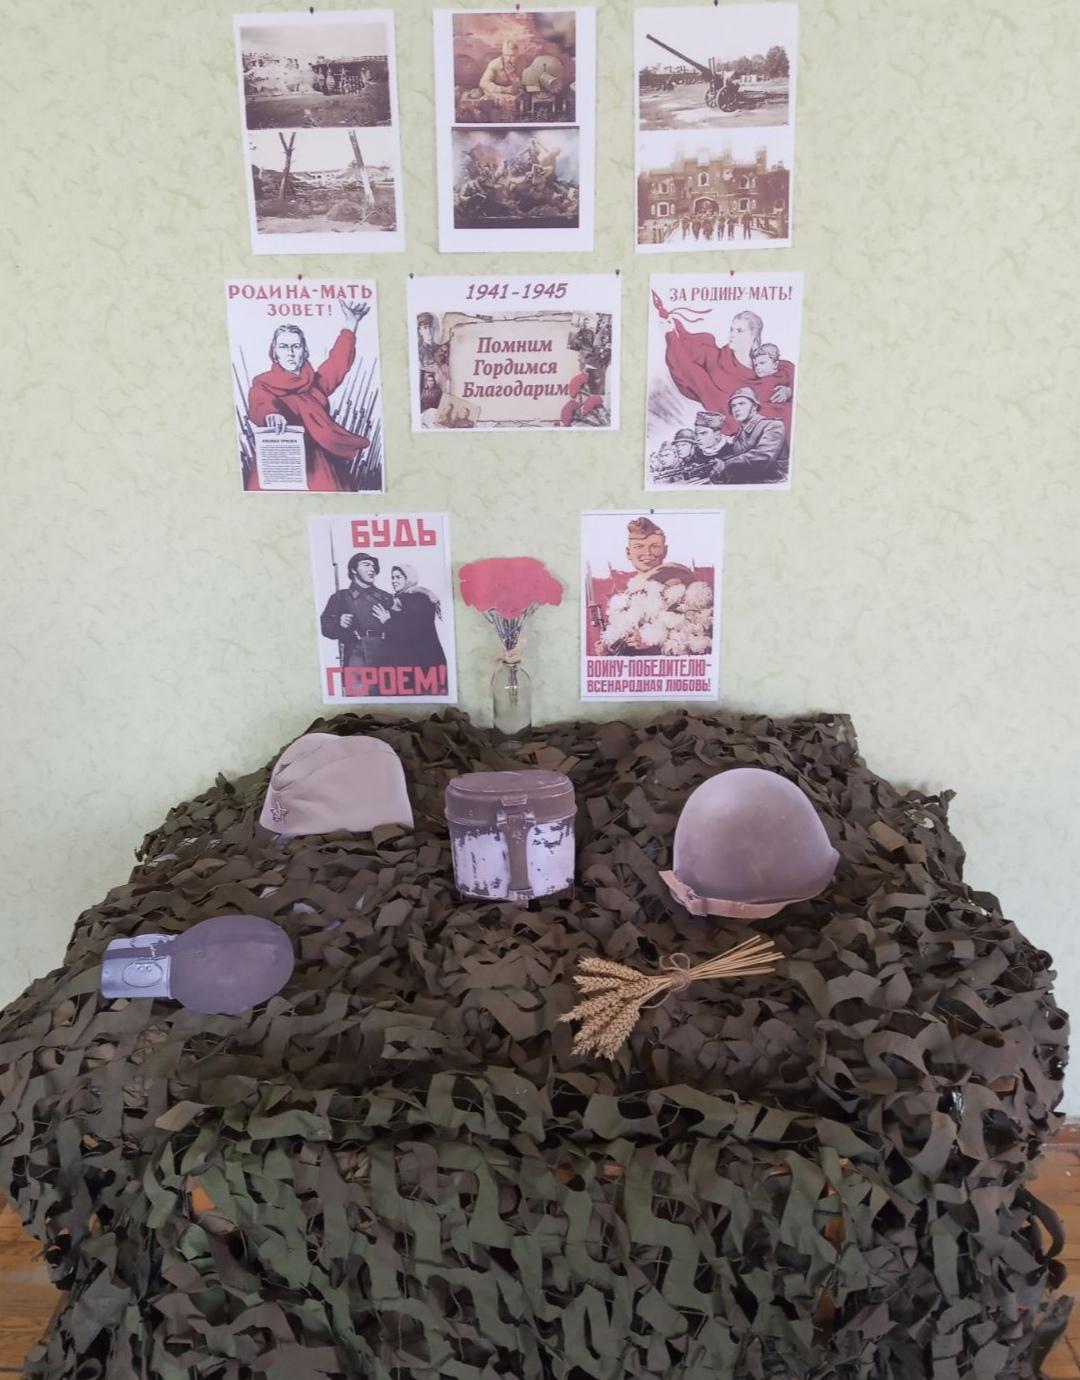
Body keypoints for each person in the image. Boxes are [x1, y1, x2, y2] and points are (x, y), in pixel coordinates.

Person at [246, 300, 371, 492]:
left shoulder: (315, 384)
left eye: (295, 346)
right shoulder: (263, 383)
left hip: (321, 463)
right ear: (275, 352)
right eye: (283, 346)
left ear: (304, 351)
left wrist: (351, 323)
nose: (290, 352)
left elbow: (338, 362)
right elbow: (260, 403)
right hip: (281, 462)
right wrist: (271, 415)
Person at [659, 300, 794, 427]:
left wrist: (789, 391)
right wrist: (671, 333)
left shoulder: (765, 360)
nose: (732, 335)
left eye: (739, 331)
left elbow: (792, 377)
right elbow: (688, 368)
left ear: (753, 335)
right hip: (738, 427)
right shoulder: (716, 358)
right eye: (732, 330)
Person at [319, 552, 392, 693]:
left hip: (385, 653)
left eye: (373, 566)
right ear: (353, 570)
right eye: (366, 565)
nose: (372, 569)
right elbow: (325, 627)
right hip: (355, 653)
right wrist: (339, 624)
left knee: (387, 696)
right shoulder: (340, 597)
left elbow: (403, 627)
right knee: (358, 696)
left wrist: (389, 622)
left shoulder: (386, 597)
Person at [714, 387, 789, 485]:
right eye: (733, 406)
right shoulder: (741, 431)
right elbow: (735, 452)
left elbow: (763, 456)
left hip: (775, 481)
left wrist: (726, 464)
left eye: (742, 404)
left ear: (754, 407)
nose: (736, 409)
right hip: (753, 479)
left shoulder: (773, 425)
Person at [380, 565, 447, 673]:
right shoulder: (419, 596)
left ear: (408, 578)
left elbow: (410, 631)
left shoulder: (413, 599)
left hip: (420, 662)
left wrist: (387, 621)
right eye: (392, 578)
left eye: (398, 577)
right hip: (427, 660)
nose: (394, 581)